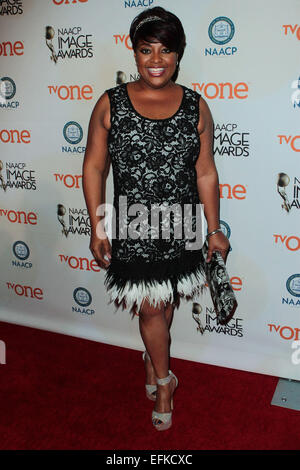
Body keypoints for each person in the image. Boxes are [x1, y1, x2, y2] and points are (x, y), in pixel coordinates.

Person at [82, 6, 230, 431]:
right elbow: (94, 167)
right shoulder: (111, 103)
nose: (156, 60)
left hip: (181, 223)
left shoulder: (196, 107)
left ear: (178, 53)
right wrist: (97, 224)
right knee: (150, 306)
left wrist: (214, 229)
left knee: (164, 304)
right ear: (134, 53)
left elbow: (205, 171)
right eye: (146, 50)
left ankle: (152, 358)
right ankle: (165, 382)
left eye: (166, 50)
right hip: (133, 224)